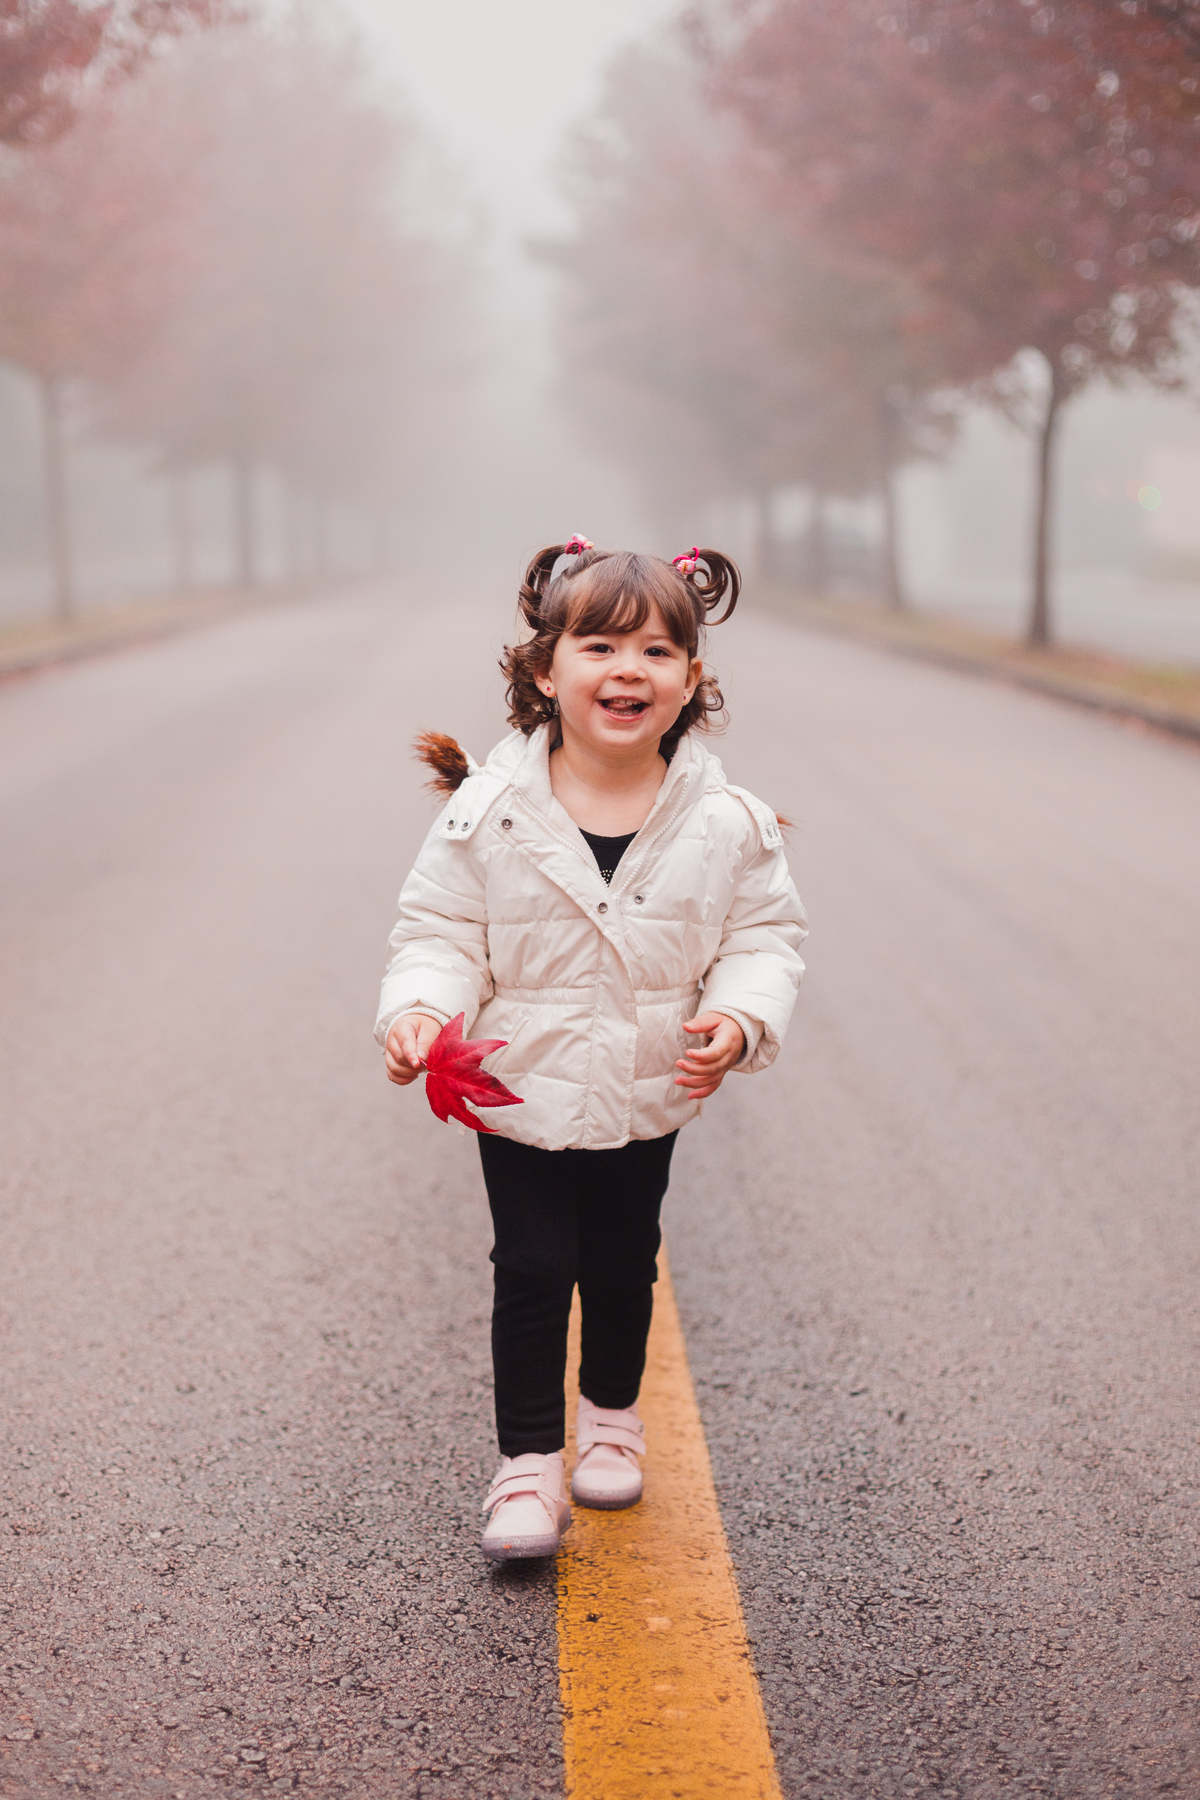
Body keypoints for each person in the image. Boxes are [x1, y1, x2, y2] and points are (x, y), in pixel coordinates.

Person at [374, 540, 808, 1562]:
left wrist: (740, 1021)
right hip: (514, 1081)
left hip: (643, 1084)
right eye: (600, 644)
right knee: (531, 1264)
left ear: (691, 680)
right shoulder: (489, 813)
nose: (628, 670)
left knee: (621, 1262)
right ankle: (526, 1466)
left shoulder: (726, 823)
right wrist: (421, 1014)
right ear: (543, 670)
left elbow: (763, 938)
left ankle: (611, 1416)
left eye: (658, 651)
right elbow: (439, 932)